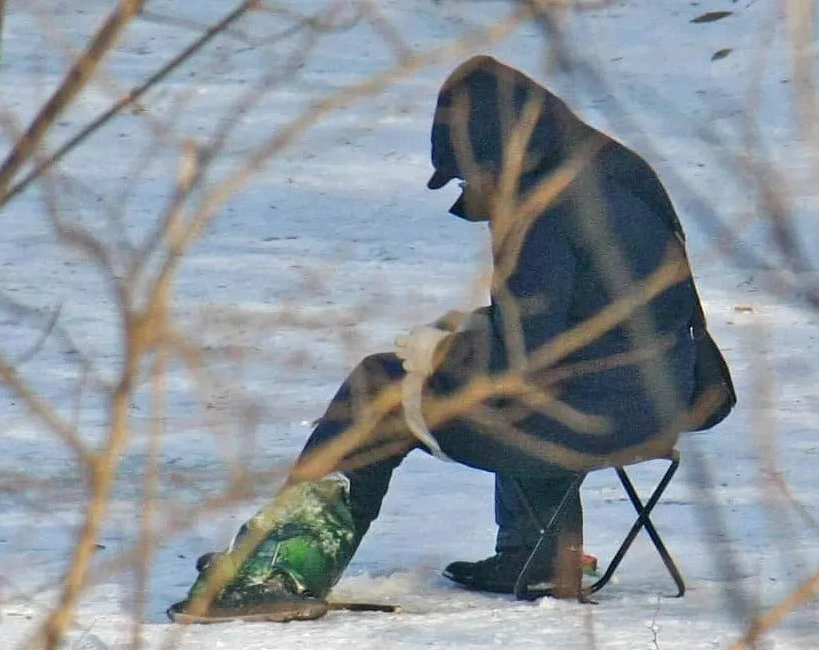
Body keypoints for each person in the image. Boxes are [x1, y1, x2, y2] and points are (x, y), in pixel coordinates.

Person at [168, 55, 707, 623]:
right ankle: (541, 554)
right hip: (657, 407)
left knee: (380, 383)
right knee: (523, 375)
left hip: (580, 426)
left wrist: (445, 352)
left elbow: (519, 365)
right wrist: (477, 329)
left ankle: (283, 568)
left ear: (495, 156)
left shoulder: (541, 212)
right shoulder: (616, 171)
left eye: (471, 175)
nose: (473, 190)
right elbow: (589, 318)